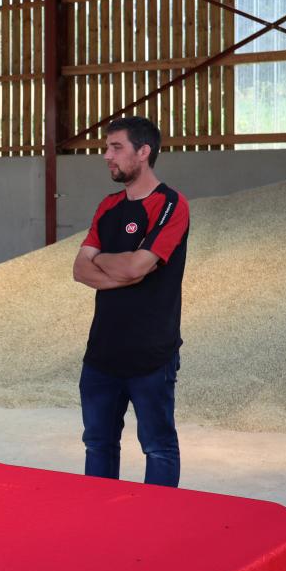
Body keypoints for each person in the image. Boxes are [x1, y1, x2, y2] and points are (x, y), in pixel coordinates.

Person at [72, 116, 190, 487]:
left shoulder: (171, 204)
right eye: (106, 147)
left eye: (116, 147)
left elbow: (140, 264)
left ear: (144, 152)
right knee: (98, 445)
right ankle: (101, 523)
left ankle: (158, 528)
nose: (106, 155)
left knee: (157, 447)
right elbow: (79, 269)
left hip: (151, 355)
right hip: (102, 356)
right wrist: (122, 268)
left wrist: (105, 259)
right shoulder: (108, 206)